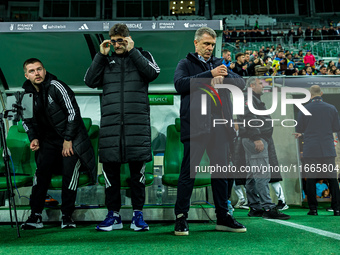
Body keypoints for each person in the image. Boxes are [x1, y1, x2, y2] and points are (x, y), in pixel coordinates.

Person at [84, 23, 160, 231]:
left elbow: (153, 74)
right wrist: (101, 55)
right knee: (111, 175)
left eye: (121, 40)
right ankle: (113, 215)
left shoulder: (142, 55)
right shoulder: (105, 60)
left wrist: (133, 51)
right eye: (114, 40)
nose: (117, 44)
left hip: (137, 128)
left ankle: (138, 215)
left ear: (128, 39)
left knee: (138, 176)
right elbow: (89, 81)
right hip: (111, 129)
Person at [173, 27, 246, 236]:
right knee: (189, 173)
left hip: (221, 126)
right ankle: (181, 218)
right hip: (195, 126)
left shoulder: (219, 64)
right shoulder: (185, 63)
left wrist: (225, 74)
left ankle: (223, 216)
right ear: (196, 43)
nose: (209, 48)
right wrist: (209, 75)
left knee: (221, 174)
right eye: (206, 44)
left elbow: (240, 84)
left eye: (212, 45)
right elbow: (179, 85)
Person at [20, 58, 96, 230]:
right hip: (48, 142)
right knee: (41, 174)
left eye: (39, 69)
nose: (37, 73)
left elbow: (73, 113)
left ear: (44, 71)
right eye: (32, 71)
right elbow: (26, 120)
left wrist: (68, 140)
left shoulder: (57, 86)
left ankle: (67, 215)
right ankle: (36, 215)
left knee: (70, 171)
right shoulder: (25, 94)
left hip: (72, 140)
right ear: (26, 75)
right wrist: (33, 138)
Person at [237, 77, 290, 220]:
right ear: (252, 86)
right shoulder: (248, 98)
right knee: (261, 174)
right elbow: (249, 117)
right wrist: (256, 138)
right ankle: (267, 207)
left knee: (252, 175)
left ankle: (255, 207)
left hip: (252, 138)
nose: (263, 86)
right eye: (261, 84)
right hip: (255, 139)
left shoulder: (250, 97)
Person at [294, 85, 340, 216]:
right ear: (322, 93)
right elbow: (336, 127)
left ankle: (313, 209)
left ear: (310, 94)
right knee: (332, 179)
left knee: (311, 179)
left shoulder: (304, 109)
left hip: (311, 149)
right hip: (327, 148)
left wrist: (304, 134)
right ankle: (337, 209)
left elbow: (300, 128)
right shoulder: (331, 108)